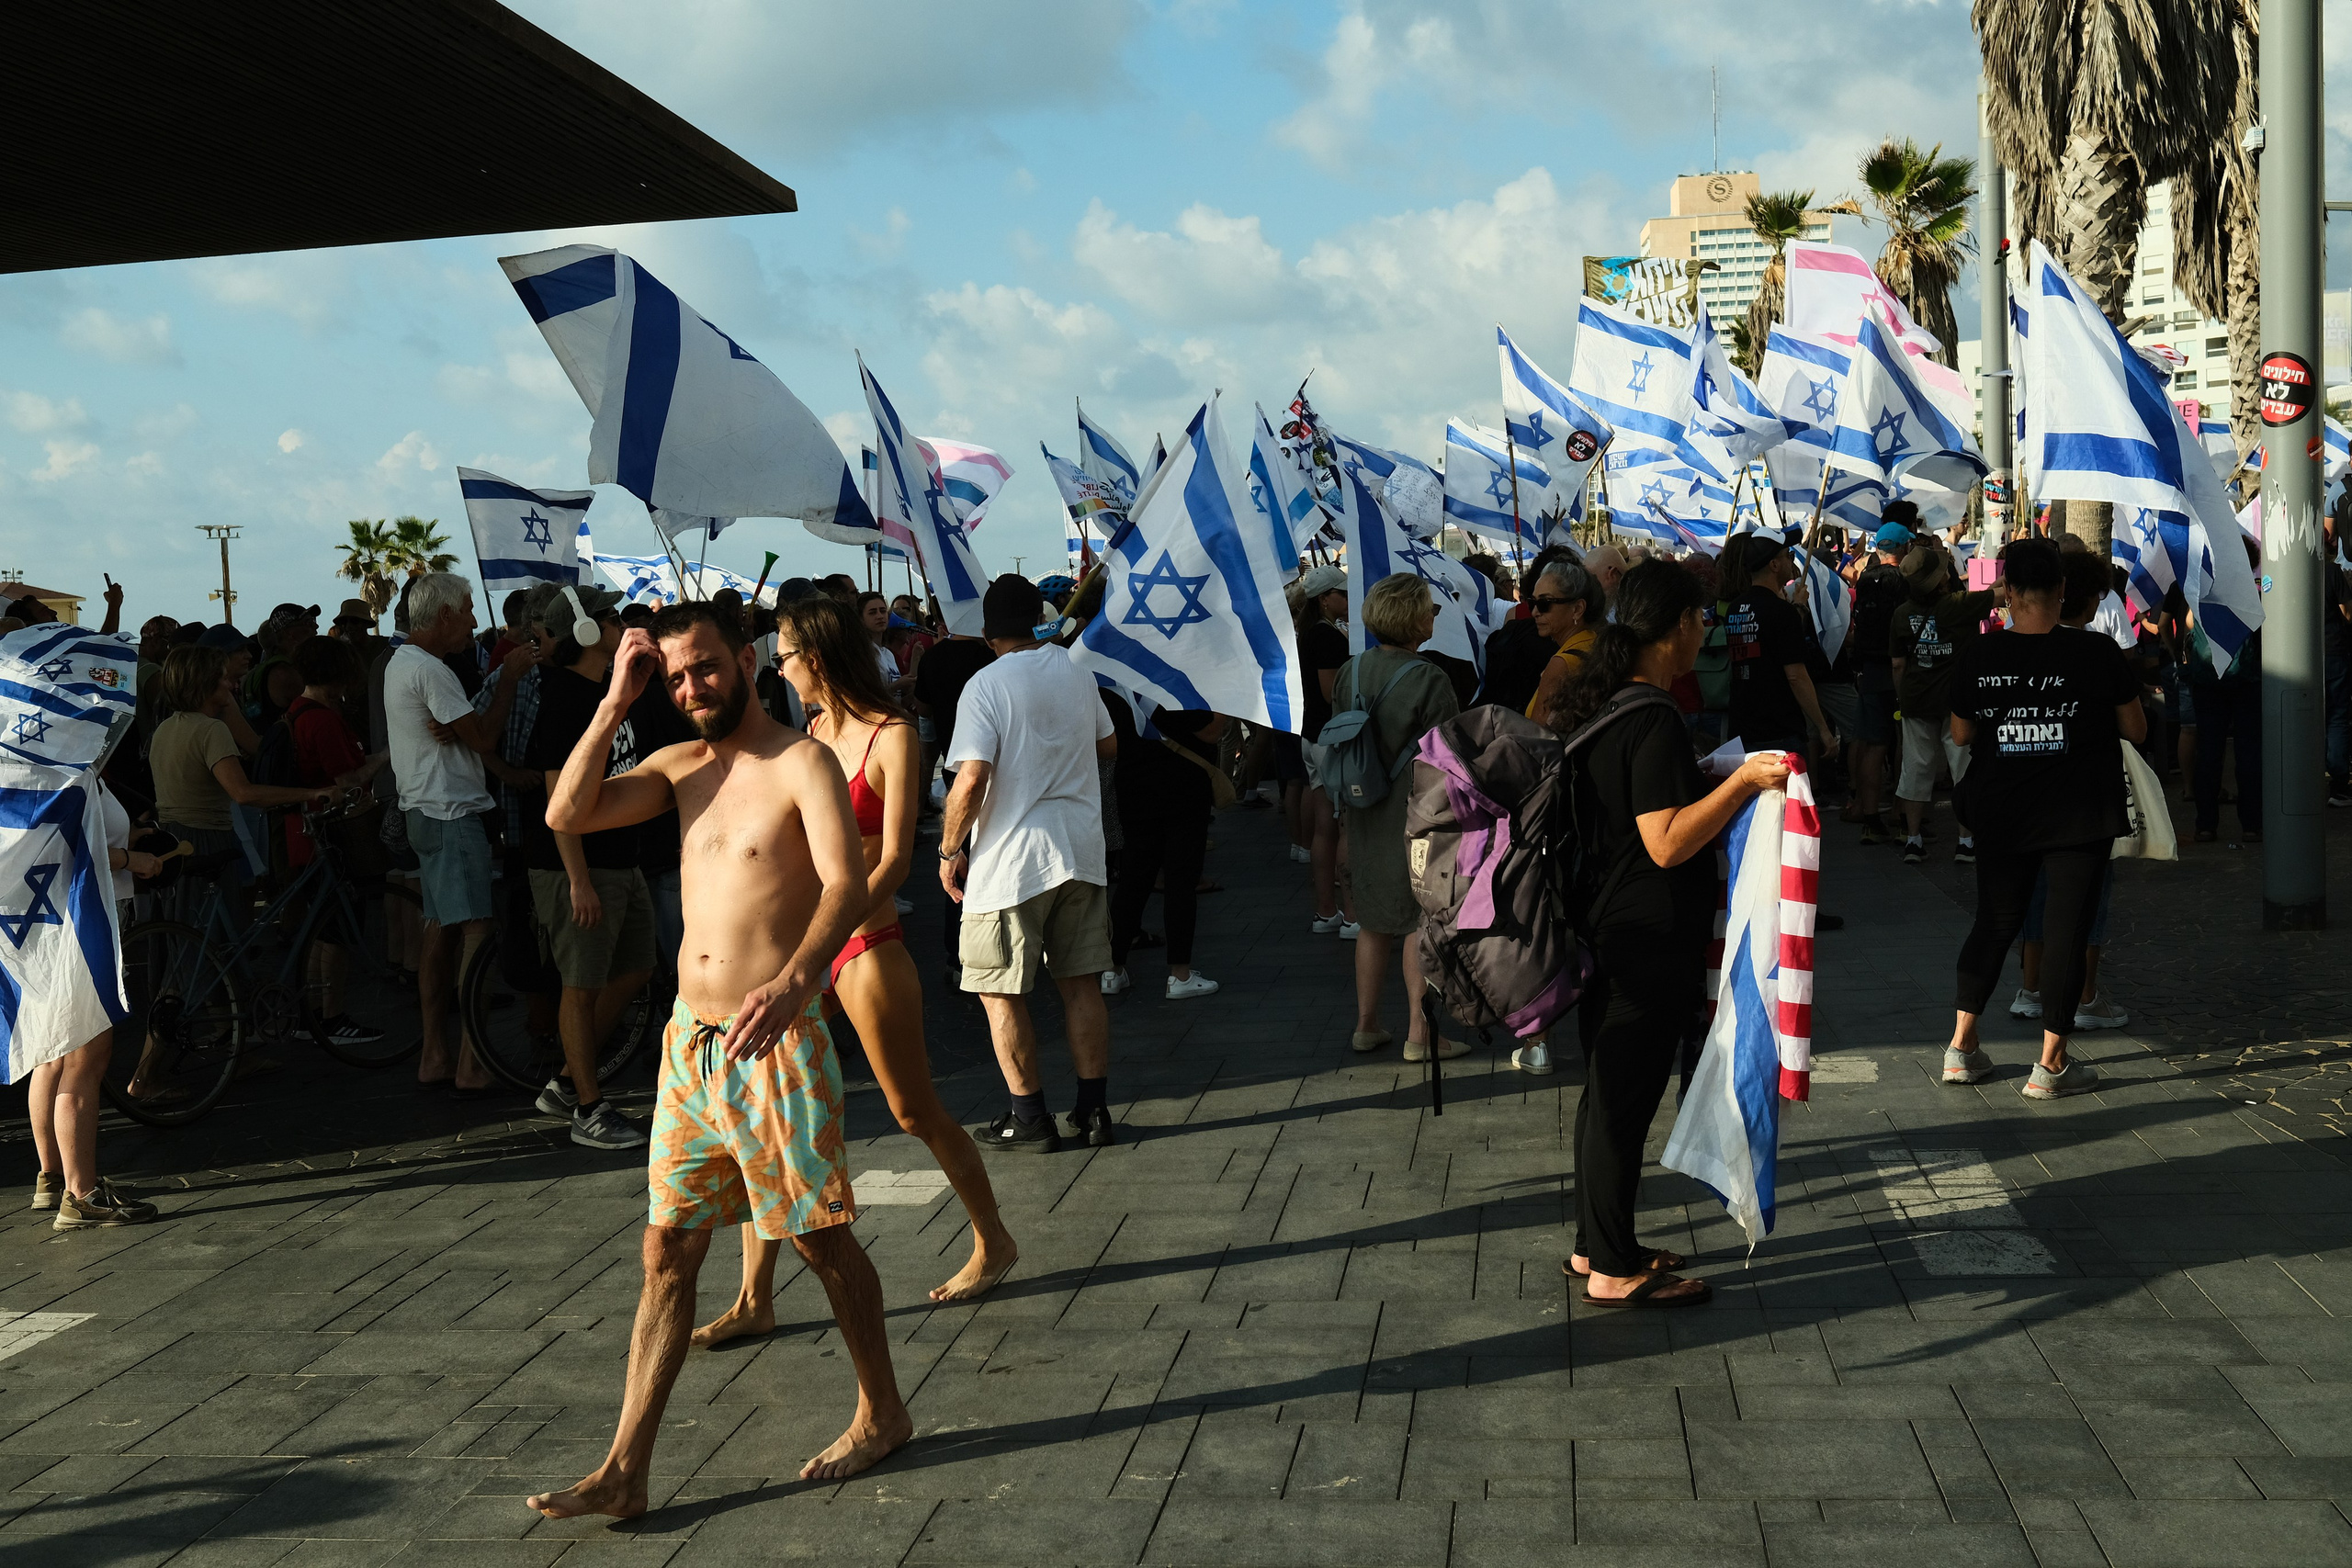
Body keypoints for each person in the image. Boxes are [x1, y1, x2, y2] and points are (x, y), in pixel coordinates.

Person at [526, 602, 909, 1521]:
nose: (692, 687)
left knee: (818, 1237)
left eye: (705, 668)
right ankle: (625, 1467)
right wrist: (614, 703)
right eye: (675, 676)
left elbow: (845, 880)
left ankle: (883, 1412)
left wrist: (795, 980)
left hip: (774, 1041)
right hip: (687, 1050)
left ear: (744, 661)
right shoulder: (676, 768)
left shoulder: (800, 762)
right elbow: (564, 810)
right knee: (667, 1250)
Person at [695, 600, 1016, 1349]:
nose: (779, 668)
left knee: (913, 1109)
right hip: (806, 950)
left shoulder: (892, 735)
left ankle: (993, 1237)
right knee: (761, 1109)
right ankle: (753, 1296)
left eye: (786, 655)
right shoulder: (809, 735)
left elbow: (898, 855)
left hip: (865, 941)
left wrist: (818, 943)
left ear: (820, 654)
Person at [1544, 559, 1791, 1307]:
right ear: (1679, 626)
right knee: (1622, 1099)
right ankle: (1616, 1268)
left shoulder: (1611, 703)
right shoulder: (1650, 715)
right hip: (1643, 937)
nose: (1704, 632)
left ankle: (1597, 1245)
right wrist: (1743, 783)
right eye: (1701, 620)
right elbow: (1666, 840)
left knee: (1605, 1093)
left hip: (1609, 925)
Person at [1939, 537, 2145, 1100]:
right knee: (2066, 930)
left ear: (2007, 591)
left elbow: (1960, 733)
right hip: (2078, 812)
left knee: (1996, 922)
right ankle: (2050, 1064)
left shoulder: (1980, 654)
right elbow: (2137, 729)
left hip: (2001, 808)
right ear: (2061, 591)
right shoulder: (2096, 653)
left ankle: (1962, 1047)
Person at [938, 575, 1118, 1153]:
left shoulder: (985, 685)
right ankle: (1093, 1110)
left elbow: (970, 779)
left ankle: (1029, 1114)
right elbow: (1109, 745)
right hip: (1079, 848)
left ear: (989, 634)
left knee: (999, 991)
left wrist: (948, 850)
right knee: (1081, 985)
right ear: (1038, 623)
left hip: (1010, 859)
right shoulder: (1074, 670)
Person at [517, 581, 659, 1149]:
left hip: (619, 859)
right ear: (583, 630)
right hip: (575, 868)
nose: (620, 624)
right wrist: (577, 880)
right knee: (579, 985)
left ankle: (564, 1083)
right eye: (609, 617)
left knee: (637, 968)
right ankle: (589, 1108)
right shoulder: (563, 701)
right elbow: (558, 806)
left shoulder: (604, 692)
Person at [385, 573, 532, 1094]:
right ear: (444, 614)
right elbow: (485, 735)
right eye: (467, 610)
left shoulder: (405, 664)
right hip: (451, 814)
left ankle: (436, 1053)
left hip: (426, 812)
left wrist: (464, 728)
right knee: (476, 930)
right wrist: (510, 675)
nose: (474, 620)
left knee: (441, 927)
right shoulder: (430, 670)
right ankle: (472, 1061)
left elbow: (467, 733)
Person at [1335, 574, 1463, 1061]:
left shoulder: (1351, 670)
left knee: (1372, 922)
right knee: (1416, 921)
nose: (1434, 615)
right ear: (1412, 618)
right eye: (1430, 608)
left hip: (1363, 807)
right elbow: (1448, 756)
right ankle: (1419, 1033)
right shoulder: (1429, 678)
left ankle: (1366, 1025)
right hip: (1415, 812)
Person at [30, 775, 164, 1230]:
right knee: (86, 1056)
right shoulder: (66, 767)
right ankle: (80, 1194)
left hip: (50, 922)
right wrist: (132, 857)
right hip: (80, 924)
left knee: (51, 1054)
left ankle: (53, 1180)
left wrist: (127, 839)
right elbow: (70, 847)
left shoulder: (39, 763)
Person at [281, 635, 390, 1051]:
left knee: (318, 930)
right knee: (338, 931)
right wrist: (384, 757)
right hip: (328, 836)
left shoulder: (298, 710)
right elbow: (346, 779)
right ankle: (332, 1017)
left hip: (300, 833)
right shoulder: (322, 719)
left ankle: (311, 1015)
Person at [1101, 694, 1226, 1001]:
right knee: (1181, 881)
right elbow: (1210, 730)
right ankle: (1179, 974)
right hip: (1183, 787)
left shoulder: (1109, 676)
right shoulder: (1169, 679)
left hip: (1131, 784)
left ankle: (1112, 970)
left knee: (1133, 879)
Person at [1892, 544, 1998, 867]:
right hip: (1957, 704)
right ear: (1941, 580)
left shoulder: (1900, 614)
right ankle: (1966, 843)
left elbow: (1897, 664)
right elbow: (2000, 596)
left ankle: (1913, 840)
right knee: (1962, 769)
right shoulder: (1960, 605)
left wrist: (1903, 698)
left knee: (1915, 769)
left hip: (1915, 701)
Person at [910, 615, 997, 965]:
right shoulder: (992, 660)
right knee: (980, 860)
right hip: (994, 776)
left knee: (959, 861)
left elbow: (925, 719)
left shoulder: (933, 658)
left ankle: (959, 953)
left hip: (954, 771)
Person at [1721, 534, 1836, 759]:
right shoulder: (1782, 613)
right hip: (1778, 730)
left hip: (1743, 727)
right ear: (1774, 565)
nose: (1792, 562)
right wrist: (1823, 728)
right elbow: (1796, 676)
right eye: (1789, 556)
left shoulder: (1734, 609)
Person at [1292, 566, 1355, 937]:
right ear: (1324, 599)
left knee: (1324, 827)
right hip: (1329, 738)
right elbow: (1334, 693)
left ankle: (1326, 912)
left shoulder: (1312, 633)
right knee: (1343, 826)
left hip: (1312, 735)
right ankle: (1350, 914)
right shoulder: (1326, 637)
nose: (1348, 600)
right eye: (1342, 594)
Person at [2189, 543, 2263, 843]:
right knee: (2249, 753)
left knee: (2208, 752)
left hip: (2207, 680)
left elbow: (2187, 625)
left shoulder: (2201, 592)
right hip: (2246, 680)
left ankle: (2206, 825)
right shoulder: (2254, 596)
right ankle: (2252, 825)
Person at [1846, 520, 1914, 843]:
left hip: (1870, 671)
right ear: (1902, 549)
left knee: (1873, 745)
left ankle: (1870, 817)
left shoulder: (1866, 579)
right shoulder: (1905, 581)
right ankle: (1903, 815)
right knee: (1904, 744)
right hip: (1900, 671)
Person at [1521, 557, 1608, 723]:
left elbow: (1535, 740)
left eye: (1545, 603)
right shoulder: (1597, 644)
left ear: (1577, 609)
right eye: (1532, 602)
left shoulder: (1562, 664)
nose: (1535, 613)